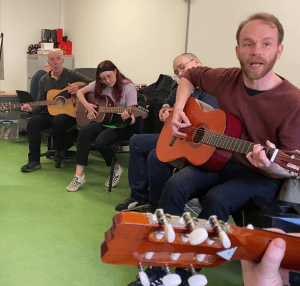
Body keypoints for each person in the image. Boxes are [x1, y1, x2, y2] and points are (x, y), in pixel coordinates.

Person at [151, 12, 300, 220]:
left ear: (279, 50)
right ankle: (167, 246)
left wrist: (269, 164)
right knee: (174, 186)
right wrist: (178, 108)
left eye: (266, 44)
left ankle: (204, 250)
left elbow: (292, 167)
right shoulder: (227, 78)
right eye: (248, 44)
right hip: (221, 159)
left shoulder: (293, 101)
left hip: (262, 176)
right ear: (238, 51)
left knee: (217, 200)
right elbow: (190, 75)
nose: (256, 52)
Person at [115, 53, 218, 211]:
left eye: (182, 68)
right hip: (176, 135)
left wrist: (178, 114)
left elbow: (207, 117)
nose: (180, 74)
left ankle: (158, 206)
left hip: (194, 141)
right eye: (176, 72)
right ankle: (139, 196)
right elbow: (167, 103)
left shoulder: (212, 86)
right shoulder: (180, 86)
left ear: (196, 62)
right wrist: (164, 111)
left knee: (155, 155)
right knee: (136, 141)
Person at [67, 60, 137, 192]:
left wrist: (126, 117)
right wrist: (88, 105)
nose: (107, 81)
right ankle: (79, 175)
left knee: (101, 141)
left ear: (116, 71)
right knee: (84, 131)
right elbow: (79, 93)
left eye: (109, 76)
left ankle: (115, 168)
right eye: (103, 79)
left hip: (123, 124)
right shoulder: (100, 85)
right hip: (105, 119)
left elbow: (133, 119)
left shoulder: (128, 87)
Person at [21, 49, 92, 172]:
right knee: (33, 123)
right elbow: (41, 103)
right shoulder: (43, 80)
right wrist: (31, 109)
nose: (56, 63)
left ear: (63, 60)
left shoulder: (71, 74)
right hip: (50, 112)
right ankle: (34, 161)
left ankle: (60, 150)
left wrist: (79, 88)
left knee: (58, 121)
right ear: (48, 62)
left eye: (58, 59)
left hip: (70, 113)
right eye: (52, 60)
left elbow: (92, 83)